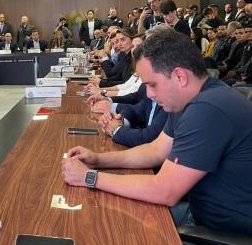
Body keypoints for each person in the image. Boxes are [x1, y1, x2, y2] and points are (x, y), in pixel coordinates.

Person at [62, 29, 252, 235]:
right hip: (199, 211)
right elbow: (155, 151)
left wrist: (89, 177)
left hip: (219, 229)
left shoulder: (208, 108)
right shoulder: (189, 99)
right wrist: (97, 160)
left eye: (152, 85)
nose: (150, 95)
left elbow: (165, 191)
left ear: (180, 76)